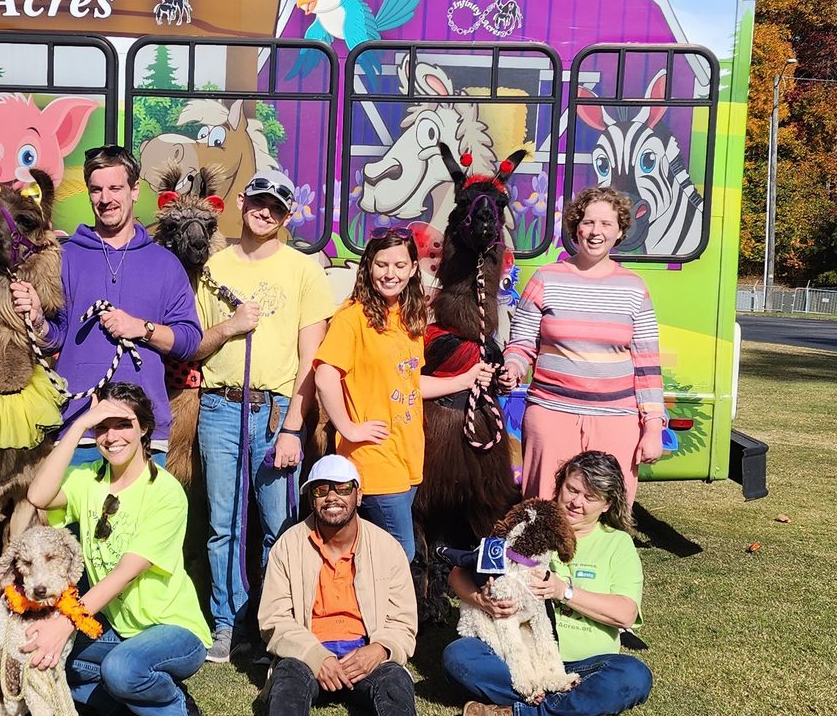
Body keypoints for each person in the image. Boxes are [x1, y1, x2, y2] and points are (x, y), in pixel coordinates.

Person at [221, 455, 468, 716]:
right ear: (311, 498)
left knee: (395, 678)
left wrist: (379, 649)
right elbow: (274, 619)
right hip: (311, 653)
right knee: (289, 673)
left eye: (342, 488)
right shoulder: (288, 546)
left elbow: (403, 622)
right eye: (322, 490)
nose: (332, 497)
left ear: (359, 495)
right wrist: (314, 656)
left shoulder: (387, 548)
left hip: (362, 654)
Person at [189, 168, 334, 662]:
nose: (265, 211)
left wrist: (294, 426)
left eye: (276, 205)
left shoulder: (303, 270)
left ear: (287, 215)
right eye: (258, 200)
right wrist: (231, 326)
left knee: (281, 525)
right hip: (219, 407)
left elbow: (311, 359)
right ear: (241, 203)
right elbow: (195, 345)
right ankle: (228, 625)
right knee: (223, 525)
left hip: (275, 414)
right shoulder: (215, 268)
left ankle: (276, 625)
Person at [22, 382, 212, 716]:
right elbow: (38, 495)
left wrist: (67, 622)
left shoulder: (166, 492)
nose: (111, 437)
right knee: (40, 651)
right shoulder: (88, 478)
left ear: (143, 429)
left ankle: (176, 707)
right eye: (102, 426)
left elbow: (125, 574)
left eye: (122, 424)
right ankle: (116, 699)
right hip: (117, 629)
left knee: (119, 668)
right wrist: (78, 426)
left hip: (174, 630)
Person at [12, 146, 201, 467]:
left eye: (115, 188)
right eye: (96, 190)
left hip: (143, 428)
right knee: (73, 519)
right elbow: (54, 337)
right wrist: (36, 320)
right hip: (79, 426)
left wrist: (142, 329)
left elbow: (189, 340)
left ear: (134, 191)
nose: (105, 199)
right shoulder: (65, 256)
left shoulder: (165, 263)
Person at [443, 450, 652, 716]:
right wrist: (482, 602)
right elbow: (458, 573)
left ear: (607, 504)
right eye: (572, 489)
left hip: (587, 666)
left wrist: (563, 591)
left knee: (634, 675)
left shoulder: (618, 544)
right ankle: (583, 712)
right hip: (516, 657)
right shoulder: (528, 524)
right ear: (560, 484)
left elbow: (625, 613)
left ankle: (515, 715)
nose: (576, 503)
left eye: (590, 497)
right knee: (459, 656)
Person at [313, 229, 492, 560]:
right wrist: (349, 428)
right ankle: (386, 613)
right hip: (374, 458)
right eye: (381, 264)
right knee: (400, 555)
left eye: (399, 265)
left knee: (376, 555)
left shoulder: (409, 318)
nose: (389, 274)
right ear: (368, 267)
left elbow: (410, 383)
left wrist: (465, 379)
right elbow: (325, 377)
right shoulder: (352, 317)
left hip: (408, 457)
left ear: (413, 268)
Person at [504, 186, 666, 506]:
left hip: (616, 421)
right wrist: (513, 367)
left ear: (619, 231)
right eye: (588, 222)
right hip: (550, 415)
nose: (596, 232)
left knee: (605, 513)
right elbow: (522, 342)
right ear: (576, 227)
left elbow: (647, 367)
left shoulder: (634, 288)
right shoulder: (545, 279)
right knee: (545, 511)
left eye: (606, 224)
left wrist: (651, 428)